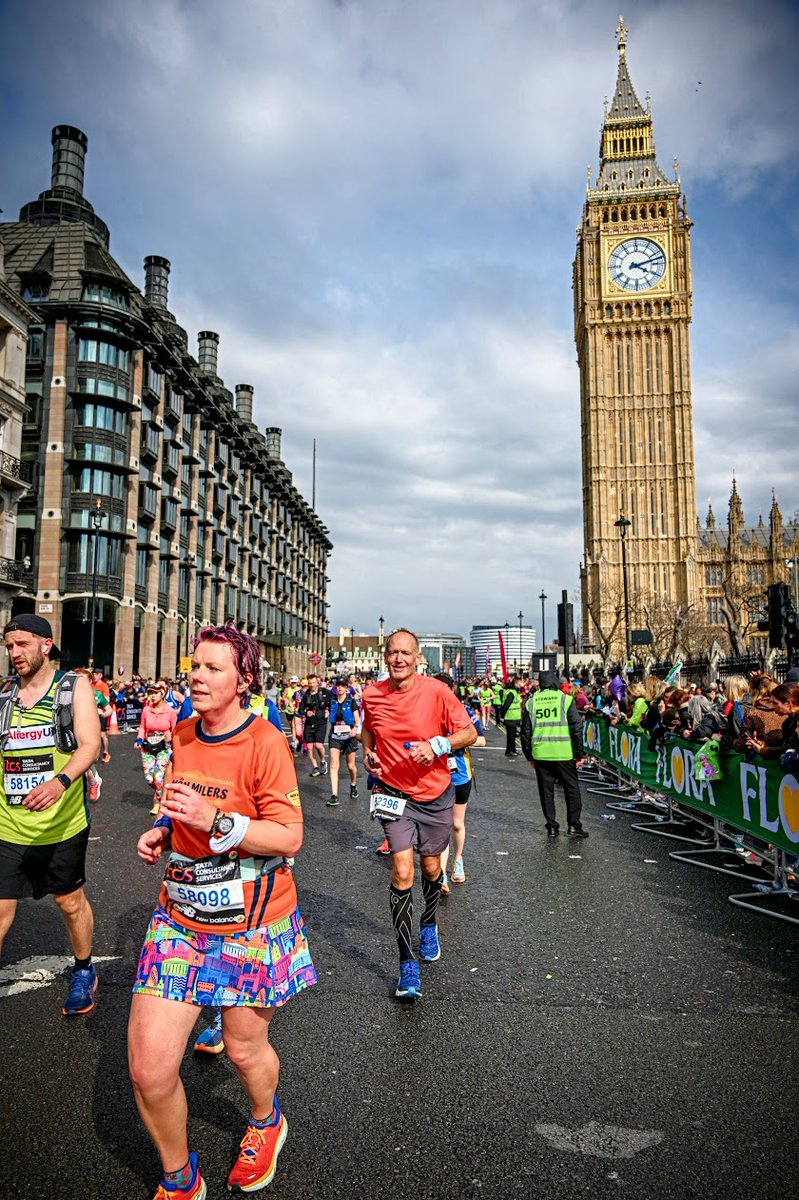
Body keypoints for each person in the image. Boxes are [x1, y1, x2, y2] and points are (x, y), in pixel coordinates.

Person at [128, 624, 316, 1199]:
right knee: (149, 1069)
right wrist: (164, 829)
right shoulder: (182, 735)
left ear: (243, 680)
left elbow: (289, 837)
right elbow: (183, 804)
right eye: (195, 666)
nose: (198, 676)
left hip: (253, 924)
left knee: (242, 1048)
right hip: (180, 919)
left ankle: (265, 1122)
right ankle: (180, 1178)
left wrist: (217, 824)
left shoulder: (265, 742)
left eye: (213, 668)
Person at [360, 628, 477, 1001]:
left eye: (405, 653)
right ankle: (406, 963)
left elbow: (469, 732)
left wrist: (437, 744)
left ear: (417, 657)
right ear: (385, 656)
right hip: (393, 794)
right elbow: (368, 729)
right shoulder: (372, 694)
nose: (398, 659)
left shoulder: (438, 692)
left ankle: (428, 922)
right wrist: (369, 752)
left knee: (430, 868)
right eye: (392, 652)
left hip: (435, 794)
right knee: (402, 868)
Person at [0, 614, 101, 1014]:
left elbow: (90, 744)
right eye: (9, 646)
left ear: (46, 644)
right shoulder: (4, 694)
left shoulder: (73, 687)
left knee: (69, 902)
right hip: (9, 825)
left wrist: (59, 782)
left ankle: (84, 969)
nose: (14, 653)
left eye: (22, 644)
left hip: (63, 824)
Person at [520, 669, 587, 839]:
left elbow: (525, 733)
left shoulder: (532, 702)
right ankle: (574, 826)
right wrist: (580, 754)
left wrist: (529, 756)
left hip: (541, 754)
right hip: (564, 753)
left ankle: (552, 827)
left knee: (546, 791)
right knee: (571, 789)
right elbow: (576, 729)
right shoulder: (565, 699)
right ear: (556, 682)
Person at [434, 674, 485, 891]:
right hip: (437, 776)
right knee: (442, 825)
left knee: (456, 823)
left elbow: (481, 739)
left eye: (446, 689)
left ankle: (459, 860)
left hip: (461, 775)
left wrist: (454, 742)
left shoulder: (464, 712)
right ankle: (442, 874)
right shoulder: (428, 713)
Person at [135, 681, 178, 816]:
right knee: (149, 778)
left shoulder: (170, 712)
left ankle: (158, 802)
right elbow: (142, 727)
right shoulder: (146, 710)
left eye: (155, 693)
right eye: (150, 693)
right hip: (147, 747)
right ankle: (162, 790)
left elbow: (175, 730)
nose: (152, 696)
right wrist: (139, 739)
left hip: (164, 748)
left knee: (159, 777)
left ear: (162, 694)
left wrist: (170, 737)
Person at [326, 677, 360, 808]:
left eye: (342, 686)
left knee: (351, 766)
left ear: (347, 688)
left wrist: (355, 729)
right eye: (338, 686)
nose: (340, 688)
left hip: (349, 736)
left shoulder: (351, 701)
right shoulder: (332, 700)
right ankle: (334, 795)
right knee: (334, 764)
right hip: (335, 735)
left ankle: (353, 785)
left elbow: (357, 719)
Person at [298, 674, 330, 777]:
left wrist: (328, 710)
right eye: (310, 683)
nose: (312, 685)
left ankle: (323, 761)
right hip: (309, 723)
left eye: (313, 683)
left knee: (319, 745)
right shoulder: (306, 695)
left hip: (321, 722)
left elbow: (332, 702)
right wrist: (306, 713)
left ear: (317, 683)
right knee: (310, 747)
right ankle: (315, 767)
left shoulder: (324, 692)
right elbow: (300, 709)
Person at [91, 667, 112, 763]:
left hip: (101, 713)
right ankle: (94, 754)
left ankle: (106, 751)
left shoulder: (104, 686)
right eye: (93, 674)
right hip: (91, 714)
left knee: (102, 734)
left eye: (96, 674)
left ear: (100, 675)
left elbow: (107, 701)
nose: (94, 676)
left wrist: (100, 708)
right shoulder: (90, 685)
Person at [500, 676, 523, 756]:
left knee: (512, 734)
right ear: (516, 683)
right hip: (511, 716)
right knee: (511, 735)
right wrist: (502, 716)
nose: (521, 684)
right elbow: (506, 704)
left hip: (513, 716)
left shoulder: (513, 691)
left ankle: (513, 749)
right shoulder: (512, 692)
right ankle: (510, 751)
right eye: (520, 682)